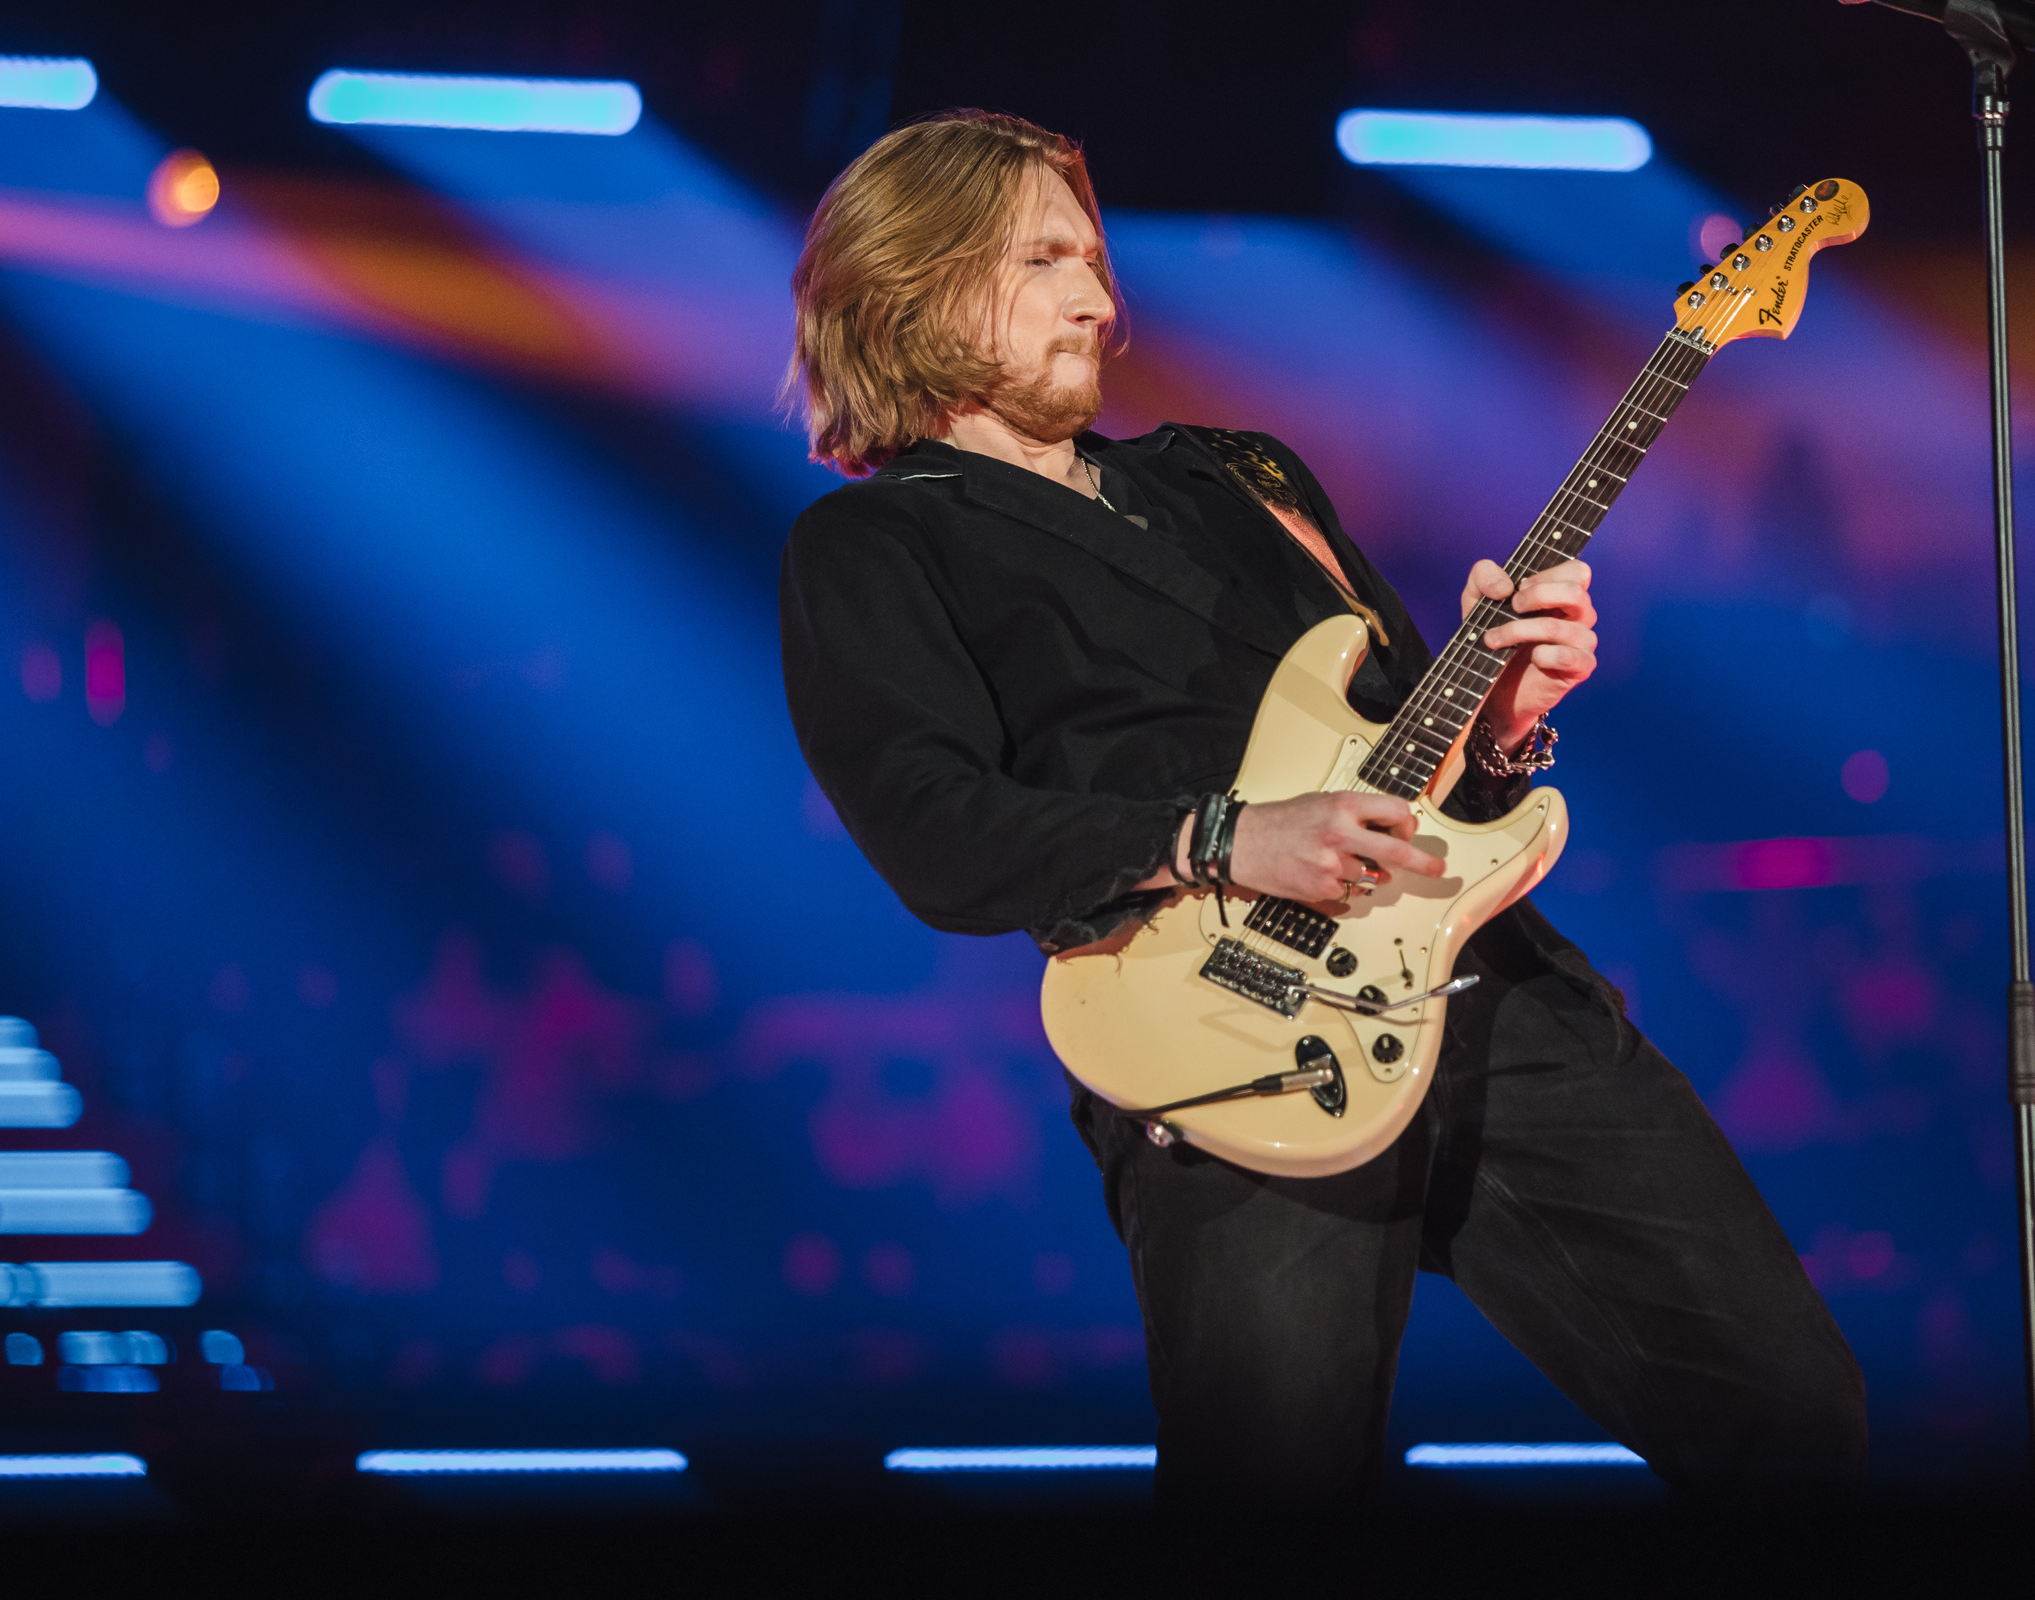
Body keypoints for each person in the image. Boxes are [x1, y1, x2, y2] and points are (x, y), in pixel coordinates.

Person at [779, 109, 1864, 1506]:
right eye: (1047, 260)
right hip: (1225, 1040)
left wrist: (1507, 719)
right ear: (913, 280)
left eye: (1097, 260)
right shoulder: (877, 542)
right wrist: (1226, 838)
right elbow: (933, 829)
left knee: (1794, 1419)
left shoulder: (1241, 474)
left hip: (1481, 993)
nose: (1101, 300)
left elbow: (1415, 748)